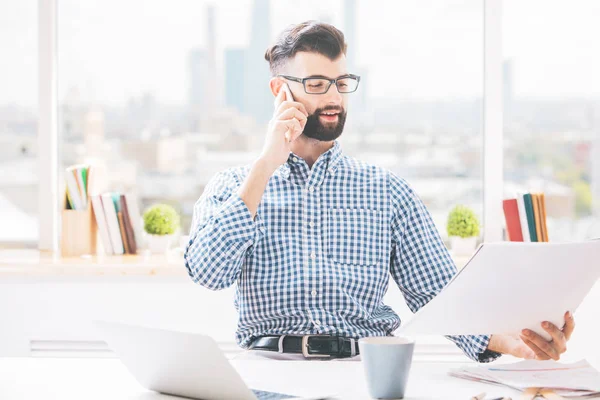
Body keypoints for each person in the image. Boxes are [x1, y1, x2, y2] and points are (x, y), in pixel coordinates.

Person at [184, 21, 575, 362]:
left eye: (341, 83)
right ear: (279, 91)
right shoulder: (235, 187)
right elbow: (207, 273)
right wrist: (266, 165)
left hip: (364, 370)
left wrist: (520, 341)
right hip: (266, 365)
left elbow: (440, 296)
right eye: (317, 84)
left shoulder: (387, 192)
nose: (334, 98)